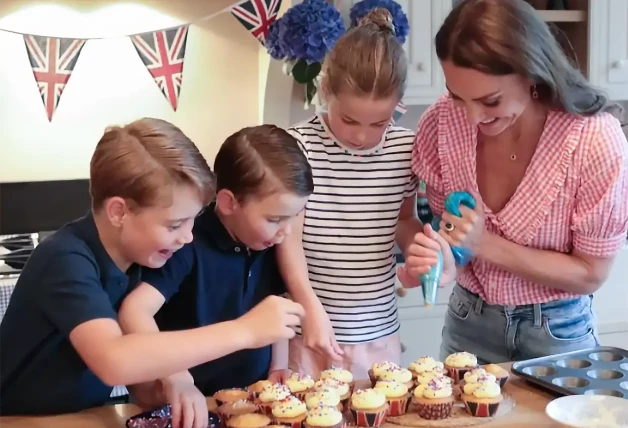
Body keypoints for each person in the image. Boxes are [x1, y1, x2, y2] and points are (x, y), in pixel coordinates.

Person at [0, 119, 304, 417]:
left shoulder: (138, 262)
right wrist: (245, 330)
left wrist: (172, 380)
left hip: (84, 414)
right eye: (174, 224)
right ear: (119, 212)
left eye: (191, 221)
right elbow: (114, 360)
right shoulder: (64, 259)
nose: (187, 237)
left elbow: (139, 380)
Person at [404, 0, 628, 363]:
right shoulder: (440, 123)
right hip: (468, 322)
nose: (473, 117)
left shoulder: (594, 140)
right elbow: (453, 239)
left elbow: (590, 274)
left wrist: (484, 244)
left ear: (532, 74)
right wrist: (445, 260)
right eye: (458, 96)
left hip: (558, 334)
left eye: (490, 100)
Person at [277, 8, 452, 379]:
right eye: (349, 120)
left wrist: (421, 244)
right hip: (308, 331)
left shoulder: (406, 149)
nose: (361, 136)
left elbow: (404, 219)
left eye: (379, 123)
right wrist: (309, 307)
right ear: (326, 90)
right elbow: (287, 239)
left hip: (378, 335)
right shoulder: (298, 147)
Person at [118, 125, 314, 428]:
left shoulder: (267, 242)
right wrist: (176, 375)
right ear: (228, 203)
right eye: (275, 219)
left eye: (295, 216)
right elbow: (134, 310)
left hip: (251, 401)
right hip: (192, 405)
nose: (286, 231)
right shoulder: (187, 242)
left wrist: (278, 365)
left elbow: (275, 306)